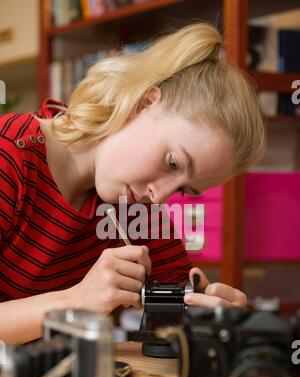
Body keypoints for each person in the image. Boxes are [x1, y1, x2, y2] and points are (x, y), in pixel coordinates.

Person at [0, 23, 265, 344]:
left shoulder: (136, 208)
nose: (161, 195)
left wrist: (218, 319)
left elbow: (175, 316)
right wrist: (75, 301)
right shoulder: (10, 155)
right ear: (143, 103)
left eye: (183, 189)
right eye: (172, 163)